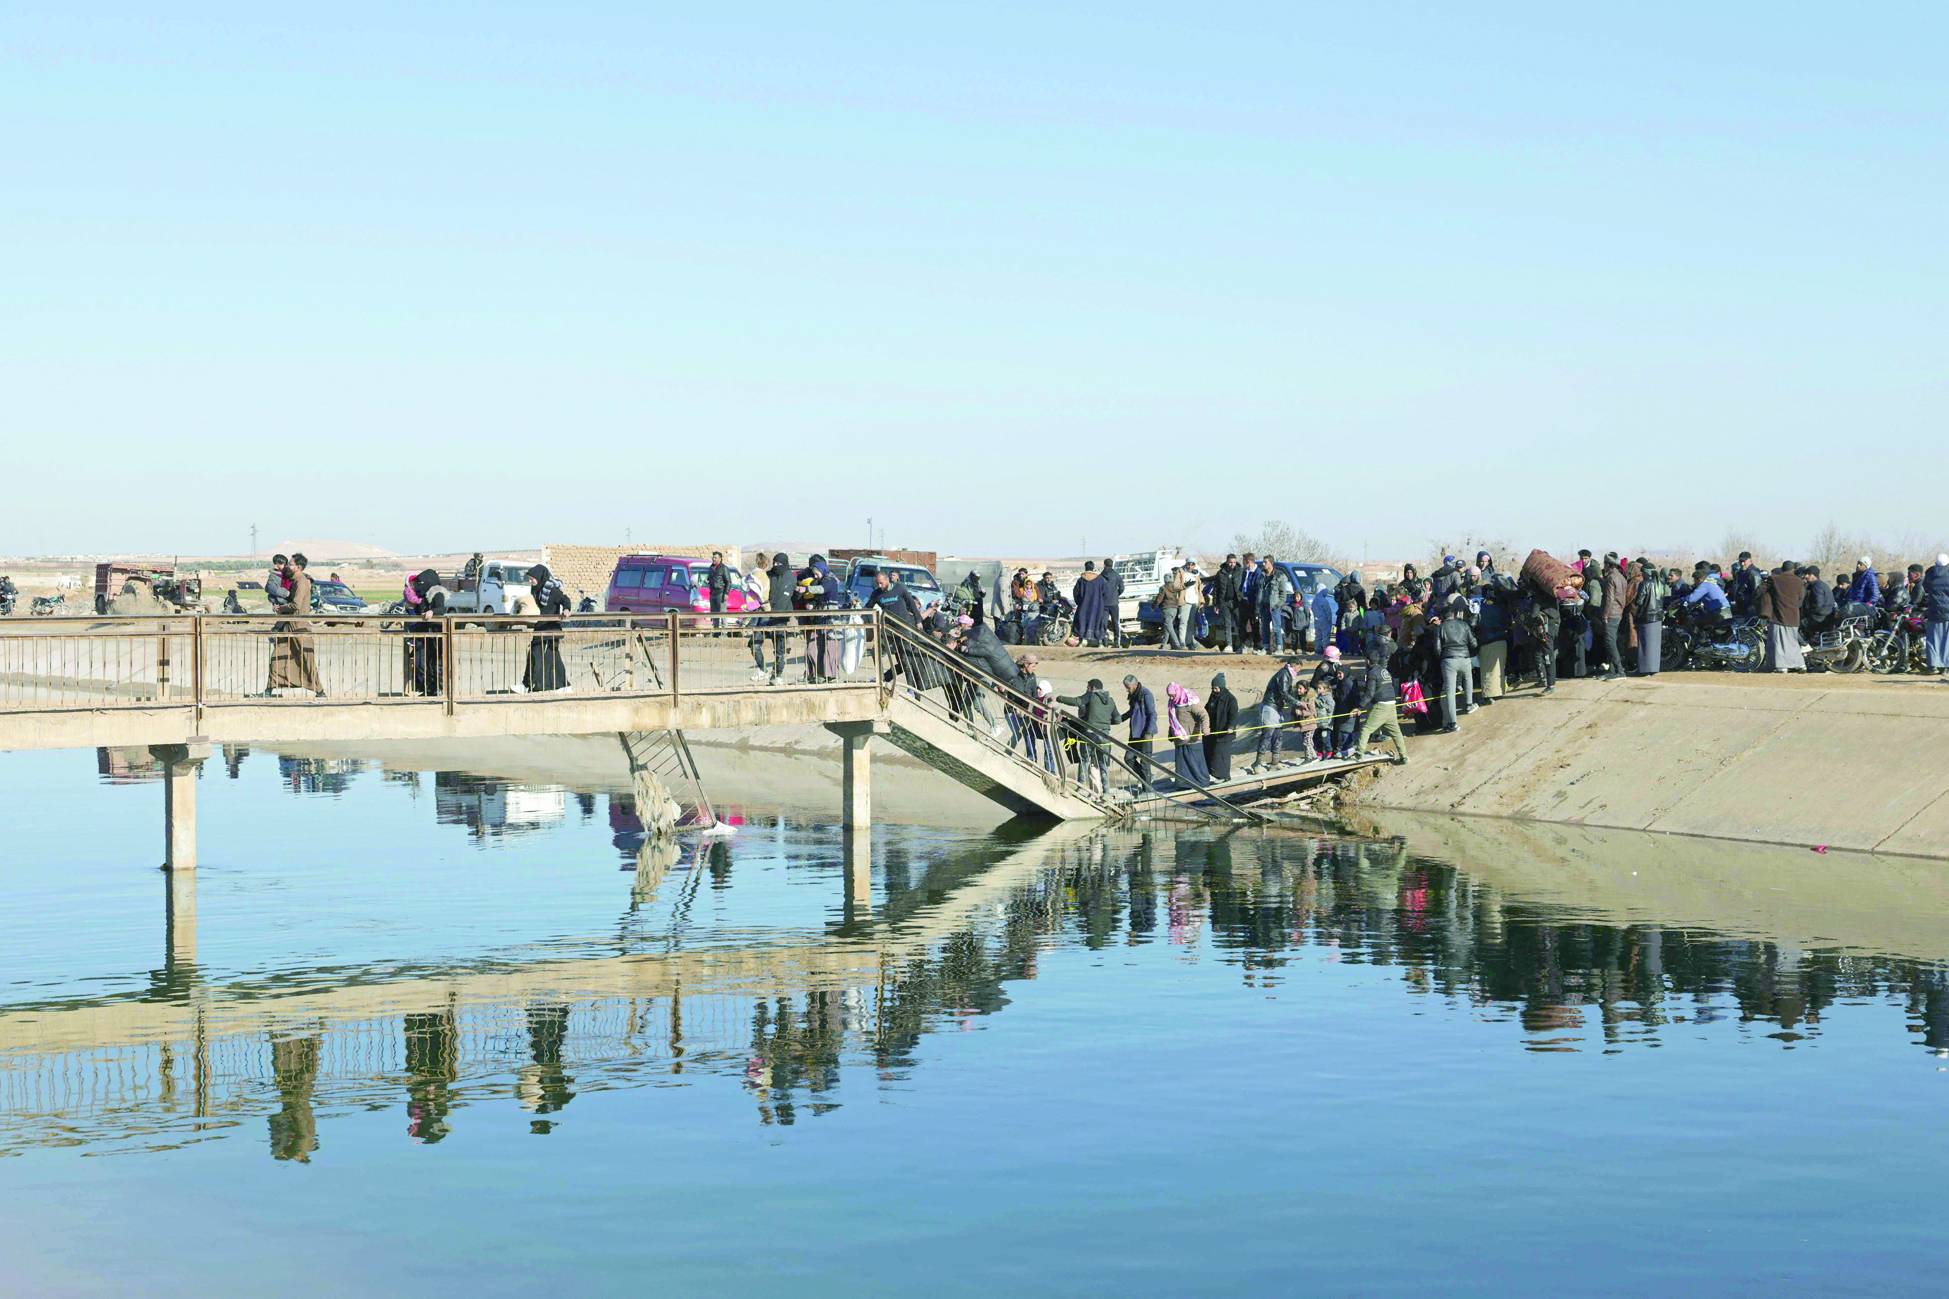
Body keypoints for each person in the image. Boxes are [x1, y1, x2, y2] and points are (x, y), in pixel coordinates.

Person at [265, 554, 323, 696]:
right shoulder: (294, 580)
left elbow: (296, 605)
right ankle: (269, 689)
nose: (287, 567)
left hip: (299, 626)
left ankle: (320, 691)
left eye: (290, 564)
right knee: (278, 656)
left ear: (298, 567)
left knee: (306, 657)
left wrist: (281, 608)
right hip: (289, 625)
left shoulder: (301, 582)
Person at [1056, 677, 1119, 795]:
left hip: (1089, 734)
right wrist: (1104, 723)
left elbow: (1077, 701)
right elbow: (1118, 719)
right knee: (1103, 764)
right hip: (1105, 737)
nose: (1086, 690)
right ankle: (1106, 793)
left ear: (1093, 688)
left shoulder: (1091, 695)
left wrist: (1060, 698)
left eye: (1087, 688)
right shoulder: (1110, 700)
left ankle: (1081, 787)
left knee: (1084, 760)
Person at [1352, 640, 1408, 764]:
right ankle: (1404, 756)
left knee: (1366, 729)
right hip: (1392, 704)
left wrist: (1360, 707)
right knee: (1396, 732)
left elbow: (1370, 693)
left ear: (1367, 661)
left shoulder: (1372, 673)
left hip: (1381, 705)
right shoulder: (1384, 670)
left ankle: (1359, 754)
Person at [1248, 658, 1305, 773]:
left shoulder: (1289, 675)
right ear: (1294, 665)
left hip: (1278, 707)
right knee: (1267, 734)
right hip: (1270, 706)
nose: (1299, 670)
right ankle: (1257, 763)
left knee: (1278, 735)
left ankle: (1275, 763)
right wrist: (1297, 703)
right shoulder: (1284, 674)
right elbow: (1284, 692)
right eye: (1299, 668)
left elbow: (1288, 692)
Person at [521, 563, 572, 691]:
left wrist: (566, 609)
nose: (530, 581)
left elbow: (565, 599)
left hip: (550, 628)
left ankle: (530, 685)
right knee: (550, 658)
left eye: (532, 578)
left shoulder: (552, 590)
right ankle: (561, 686)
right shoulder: (535, 590)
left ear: (539, 577)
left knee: (539, 655)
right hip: (540, 627)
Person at [405, 568, 447, 695]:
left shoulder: (437, 593)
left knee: (436, 662)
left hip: (437, 632)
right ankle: (429, 689)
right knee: (427, 662)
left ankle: (439, 688)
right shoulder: (424, 594)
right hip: (427, 632)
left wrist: (432, 612)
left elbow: (441, 609)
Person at [1432, 609, 1476, 732]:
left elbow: (1437, 649)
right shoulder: (1464, 625)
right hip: (1465, 657)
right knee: (1468, 679)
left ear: (1442, 617)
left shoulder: (1440, 628)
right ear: (1454, 614)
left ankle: (1453, 723)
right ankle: (1469, 704)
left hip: (1448, 660)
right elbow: (1473, 643)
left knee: (1450, 692)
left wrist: (1443, 658)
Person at [1759, 562, 1807, 672]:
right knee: (1793, 642)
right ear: (1793, 570)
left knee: (1779, 642)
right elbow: (1801, 598)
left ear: (1782, 569)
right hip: (1794, 616)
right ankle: (1800, 665)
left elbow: (1762, 590)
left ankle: (1782, 666)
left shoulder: (1775, 579)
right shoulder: (1799, 581)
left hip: (1779, 616)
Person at [1165, 683, 1212, 788]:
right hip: (1180, 740)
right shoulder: (1172, 704)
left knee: (1196, 764)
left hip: (1192, 740)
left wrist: (1205, 728)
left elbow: (1204, 715)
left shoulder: (1190, 702)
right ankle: (1184, 785)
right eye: (1169, 696)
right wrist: (1171, 733)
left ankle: (1202, 783)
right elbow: (1173, 720)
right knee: (1183, 766)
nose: (1171, 698)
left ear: (1178, 692)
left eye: (1172, 695)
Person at [1118, 674, 1159, 787]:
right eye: (1126, 687)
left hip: (1145, 733)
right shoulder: (1134, 695)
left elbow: (1152, 714)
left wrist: (1149, 731)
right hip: (1135, 733)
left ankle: (1147, 790)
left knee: (1145, 762)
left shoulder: (1146, 694)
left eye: (1128, 687)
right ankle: (1147, 778)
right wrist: (1119, 719)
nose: (1127, 690)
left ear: (1135, 685)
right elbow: (1132, 711)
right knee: (1128, 758)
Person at [1631, 557, 1668, 676]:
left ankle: (1644, 669)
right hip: (1658, 617)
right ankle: (1654, 668)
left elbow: (1639, 601)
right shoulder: (1661, 583)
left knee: (1644, 644)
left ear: (1645, 573)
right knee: (1655, 644)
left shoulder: (1645, 583)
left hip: (1646, 617)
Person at [1596, 553, 1627, 681]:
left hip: (1611, 614)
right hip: (1618, 612)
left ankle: (1620, 671)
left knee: (1610, 643)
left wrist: (1605, 615)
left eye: (1605, 564)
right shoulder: (1622, 577)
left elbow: (1609, 599)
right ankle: (1613, 671)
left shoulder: (1611, 578)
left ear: (1608, 565)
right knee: (1612, 641)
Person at [1204, 672, 1237, 781]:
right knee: (1210, 752)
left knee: (1221, 755)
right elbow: (1207, 709)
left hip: (1225, 733)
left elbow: (1233, 715)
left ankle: (1224, 776)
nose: (1214, 690)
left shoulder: (1231, 699)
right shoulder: (1212, 697)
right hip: (1213, 731)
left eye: (1216, 688)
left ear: (1222, 687)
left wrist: (1231, 726)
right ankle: (1212, 774)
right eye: (1213, 688)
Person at [1258, 557, 1294, 655]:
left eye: (1265, 562)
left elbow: (1283, 594)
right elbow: (1260, 591)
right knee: (1264, 627)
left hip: (1274, 606)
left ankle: (1279, 648)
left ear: (1271, 563)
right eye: (1263, 562)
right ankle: (1266, 647)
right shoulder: (1262, 575)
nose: (1263, 564)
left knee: (1276, 627)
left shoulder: (1279, 575)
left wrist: (1278, 604)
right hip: (1264, 605)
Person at [1072, 561, 1112, 646]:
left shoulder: (1081, 580)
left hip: (1084, 606)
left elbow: (1076, 593)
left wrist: (1080, 603)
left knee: (1082, 622)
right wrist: (1102, 603)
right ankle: (1100, 643)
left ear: (1085, 567)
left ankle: (1081, 641)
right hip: (1097, 606)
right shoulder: (1100, 579)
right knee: (1097, 623)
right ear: (1093, 568)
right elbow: (1106, 592)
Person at [1208, 556, 1242, 654]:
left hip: (1237, 602)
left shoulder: (1240, 572)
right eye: (1230, 562)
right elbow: (1216, 590)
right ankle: (1229, 645)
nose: (1232, 564)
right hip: (1225, 602)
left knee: (1239, 624)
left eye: (1234, 562)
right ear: (1227, 562)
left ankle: (1241, 645)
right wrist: (1216, 604)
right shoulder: (1221, 573)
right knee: (1227, 624)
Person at [743, 555, 771, 673]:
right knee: (755, 644)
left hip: (755, 610)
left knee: (754, 644)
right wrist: (766, 607)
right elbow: (763, 597)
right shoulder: (762, 576)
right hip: (761, 610)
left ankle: (763, 670)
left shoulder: (752, 575)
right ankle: (763, 670)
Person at [1925, 554, 1949, 673]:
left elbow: (1925, 588)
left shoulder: (1930, 574)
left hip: (1933, 611)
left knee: (1932, 639)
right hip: (1947, 613)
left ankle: (1932, 665)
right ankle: (1945, 667)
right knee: (1946, 640)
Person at [1158, 566, 1189, 649]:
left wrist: (1153, 606)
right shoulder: (1174, 587)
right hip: (1175, 609)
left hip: (1167, 608)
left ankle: (1177, 644)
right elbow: (1181, 587)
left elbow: (1159, 599)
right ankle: (1163, 644)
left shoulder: (1163, 588)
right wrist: (1186, 585)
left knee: (1168, 626)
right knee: (1168, 626)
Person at [1100, 558, 1124, 647]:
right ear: (1112, 564)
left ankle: (1104, 642)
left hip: (1104, 603)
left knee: (1103, 623)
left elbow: (1098, 589)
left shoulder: (1100, 576)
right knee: (1115, 623)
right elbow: (1122, 588)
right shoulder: (1117, 575)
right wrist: (1116, 595)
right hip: (1114, 603)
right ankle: (1116, 642)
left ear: (1104, 565)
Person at [705, 551, 731, 628]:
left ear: (720, 558)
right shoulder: (711, 568)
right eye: (713, 557)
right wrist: (707, 580)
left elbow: (728, 582)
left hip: (721, 593)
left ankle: (724, 631)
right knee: (714, 614)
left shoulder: (724, 568)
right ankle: (716, 631)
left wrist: (726, 593)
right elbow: (709, 578)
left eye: (715, 557)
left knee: (723, 613)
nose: (713, 559)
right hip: (713, 593)